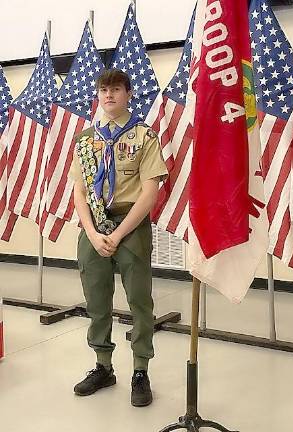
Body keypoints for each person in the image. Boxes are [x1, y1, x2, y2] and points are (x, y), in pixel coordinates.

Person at [69, 69, 168, 407]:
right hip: (94, 227)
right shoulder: (85, 140)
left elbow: (150, 192)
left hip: (131, 226)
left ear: (128, 94)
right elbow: (79, 192)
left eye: (115, 89)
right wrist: (94, 234)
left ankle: (141, 368)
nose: (108, 95)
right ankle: (103, 365)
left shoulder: (144, 137)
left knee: (139, 300)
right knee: (96, 298)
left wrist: (119, 233)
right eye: (103, 90)